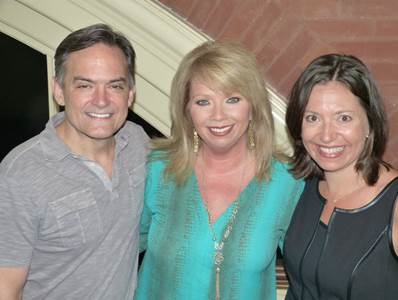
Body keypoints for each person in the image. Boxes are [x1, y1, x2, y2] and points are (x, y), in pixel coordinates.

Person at [134, 41, 304, 300]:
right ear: (187, 110)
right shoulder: (157, 170)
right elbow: (115, 252)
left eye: (233, 99)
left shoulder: (287, 182)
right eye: (203, 102)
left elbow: (313, 272)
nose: (218, 116)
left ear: (253, 108)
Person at [0, 23, 149, 299]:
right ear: (59, 90)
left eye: (114, 85)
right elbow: (5, 288)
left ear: (130, 93)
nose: (101, 100)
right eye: (85, 85)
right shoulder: (19, 175)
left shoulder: (138, 145)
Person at [283, 53, 398, 300]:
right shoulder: (303, 187)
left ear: (370, 124)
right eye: (313, 118)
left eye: (343, 118)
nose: (326, 135)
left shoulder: (394, 204)